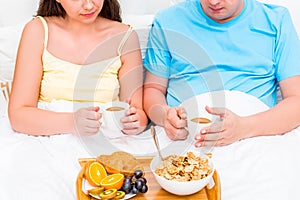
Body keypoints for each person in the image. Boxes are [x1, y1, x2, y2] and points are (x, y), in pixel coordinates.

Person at [143, 0, 300, 147]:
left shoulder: (276, 20)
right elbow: (153, 89)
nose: (213, 2)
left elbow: (296, 101)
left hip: (255, 137)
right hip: (186, 139)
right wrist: (165, 117)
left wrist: (243, 128)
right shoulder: (167, 21)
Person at [8, 0, 148, 136]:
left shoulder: (125, 37)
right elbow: (18, 115)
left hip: (104, 141)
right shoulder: (38, 30)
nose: (88, 5)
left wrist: (136, 122)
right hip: (47, 140)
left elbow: (138, 112)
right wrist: (72, 122)